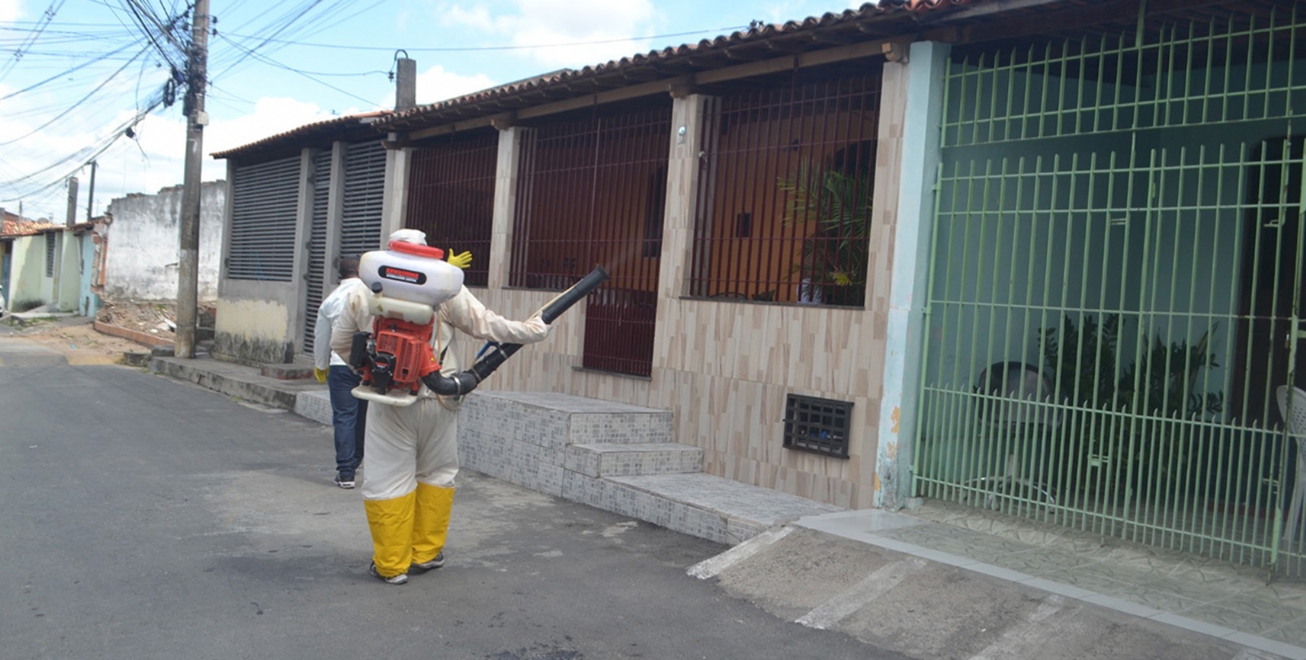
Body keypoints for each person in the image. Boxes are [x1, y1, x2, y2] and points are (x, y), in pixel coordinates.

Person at [330, 228, 549, 585]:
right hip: (441, 398)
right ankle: (426, 553)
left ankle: (391, 565)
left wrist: (372, 372)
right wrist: (532, 329)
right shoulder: (445, 287)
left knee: (388, 479)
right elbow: (487, 325)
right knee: (437, 475)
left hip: (389, 401)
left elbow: (341, 343)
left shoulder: (362, 290)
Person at [313, 257, 370, 489]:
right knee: (364, 417)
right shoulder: (369, 294)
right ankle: (356, 461)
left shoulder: (330, 300)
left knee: (345, 417)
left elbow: (322, 337)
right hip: (368, 365)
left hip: (339, 365)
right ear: (360, 270)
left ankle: (346, 473)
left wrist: (320, 365)